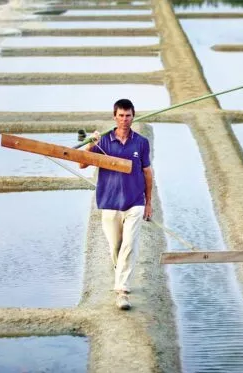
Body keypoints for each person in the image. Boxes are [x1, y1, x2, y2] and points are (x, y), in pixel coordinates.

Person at [80, 99, 153, 310]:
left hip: (134, 202)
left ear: (133, 116)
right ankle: (120, 273)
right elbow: (82, 163)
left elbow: (147, 173)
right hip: (110, 202)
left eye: (128, 115)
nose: (124, 119)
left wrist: (148, 203)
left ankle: (122, 291)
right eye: (120, 115)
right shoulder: (102, 141)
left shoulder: (141, 142)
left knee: (129, 246)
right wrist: (91, 143)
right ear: (114, 117)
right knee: (116, 247)